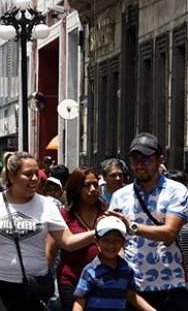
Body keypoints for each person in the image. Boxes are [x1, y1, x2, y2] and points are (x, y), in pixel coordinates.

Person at [0, 152, 96, 311]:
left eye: (36, 173)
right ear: (12, 176)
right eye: (28, 174)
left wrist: (96, 233)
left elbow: (68, 242)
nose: (35, 178)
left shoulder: (48, 206)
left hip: (34, 287)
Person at [109, 133, 188, 310]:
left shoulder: (176, 191)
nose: (139, 165)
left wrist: (131, 226)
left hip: (171, 285)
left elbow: (169, 232)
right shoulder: (119, 196)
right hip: (134, 288)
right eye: (134, 159)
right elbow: (115, 239)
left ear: (160, 160)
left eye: (146, 159)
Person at [47, 167, 105, 311]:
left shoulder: (106, 214)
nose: (93, 189)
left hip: (101, 281)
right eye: (86, 185)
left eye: (95, 185)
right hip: (71, 281)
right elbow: (50, 251)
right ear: (76, 188)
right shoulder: (63, 216)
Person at [73, 216, 155, 311]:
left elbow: (131, 295)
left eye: (116, 241)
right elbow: (80, 301)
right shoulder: (91, 270)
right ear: (96, 241)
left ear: (123, 242)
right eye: (105, 240)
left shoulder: (126, 269)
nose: (111, 245)